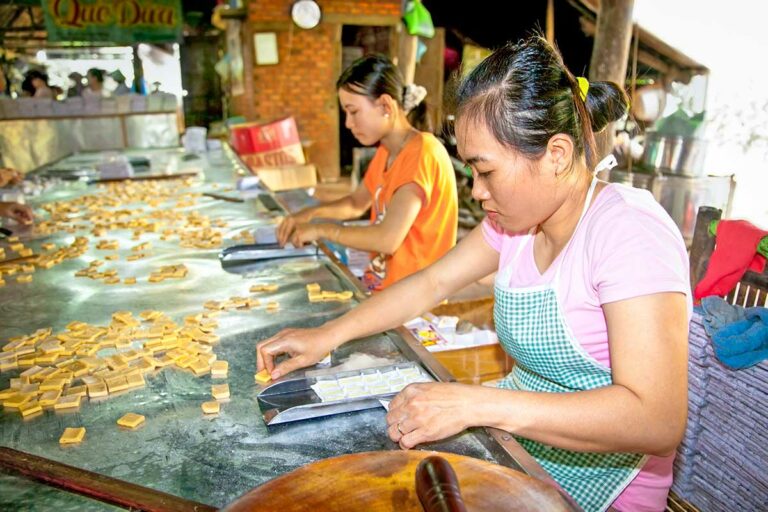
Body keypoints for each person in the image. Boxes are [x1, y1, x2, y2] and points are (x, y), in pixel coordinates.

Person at [258, 36, 691, 512]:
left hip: (606, 491)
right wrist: (328, 336)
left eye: (486, 171)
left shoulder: (628, 232)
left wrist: (475, 403)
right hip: (522, 451)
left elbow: (656, 419)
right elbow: (432, 282)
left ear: (557, 154)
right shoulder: (516, 224)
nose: (477, 192)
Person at [276, 54, 458, 290]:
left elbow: (387, 239)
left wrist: (323, 229)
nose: (348, 124)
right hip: (386, 287)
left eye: (353, 112)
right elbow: (355, 202)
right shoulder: (387, 150)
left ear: (385, 105)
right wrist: (308, 215)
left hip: (414, 298)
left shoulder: (422, 152)